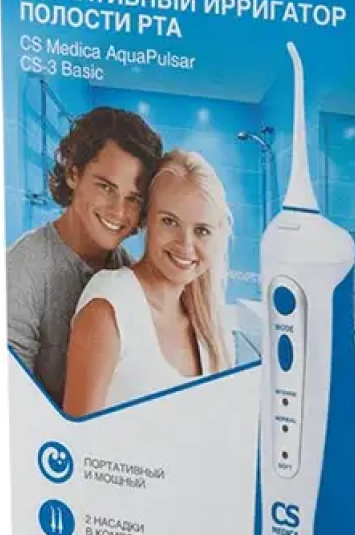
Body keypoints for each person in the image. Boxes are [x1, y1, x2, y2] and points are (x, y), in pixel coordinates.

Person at [6, 106, 163, 405]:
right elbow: (13, 405)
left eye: (133, 199)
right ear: (73, 173)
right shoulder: (22, 272)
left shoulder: (126, 271)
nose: (118, 211)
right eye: (106, 187)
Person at [63, 149, 234, 416]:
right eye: (169, 221)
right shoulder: (109, 309)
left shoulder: (213, 325)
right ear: (146, 221)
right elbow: (78, 433)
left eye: (201, 230)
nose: (185, 245)